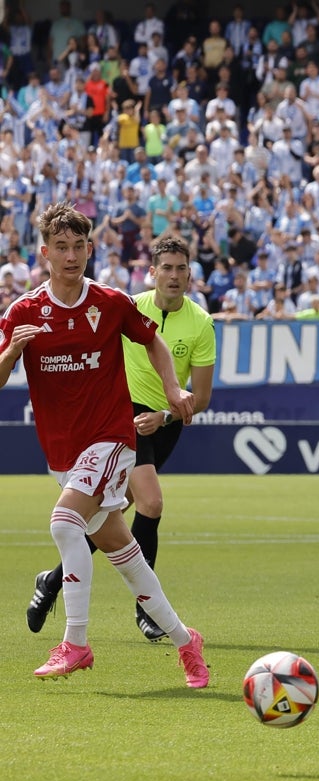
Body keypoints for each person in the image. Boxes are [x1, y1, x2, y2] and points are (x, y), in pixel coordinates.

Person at [0, 203, 208, 686]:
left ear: (90, 250)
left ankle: (75, 643)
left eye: (80, 247)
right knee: (125, 556)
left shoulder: (112, 302)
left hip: (113, 437)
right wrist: (10, 352)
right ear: (46, 253)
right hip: (63, 453)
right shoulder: (24, 311)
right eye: (62, 248)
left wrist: (173, 389)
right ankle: (185, 641)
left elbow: (153, 342)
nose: (71, 257)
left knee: (63, 523)